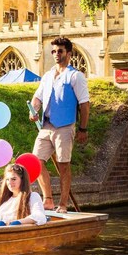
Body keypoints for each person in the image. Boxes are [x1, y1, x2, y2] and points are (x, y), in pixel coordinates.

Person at [29, 36, 90, 214]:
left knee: (64, 166)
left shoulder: (75, 76)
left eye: (60, 51)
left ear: (69, 53)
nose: (56, 54)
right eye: (54, 51)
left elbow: (84, 105)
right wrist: (33, 109)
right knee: (36, 162)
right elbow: (37, 97)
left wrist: (83, 129)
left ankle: (63, 204)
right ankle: (48, 199)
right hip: (46, 126)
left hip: (65, 126)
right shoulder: (47, 76)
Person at [0, 163, 47, 227]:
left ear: (22, 180)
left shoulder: (32, 196)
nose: (10, 182)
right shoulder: (3, 198)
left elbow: (40, 216)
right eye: (7, 179)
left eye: (13, 179)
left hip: (17, 234)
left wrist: (17, 222)